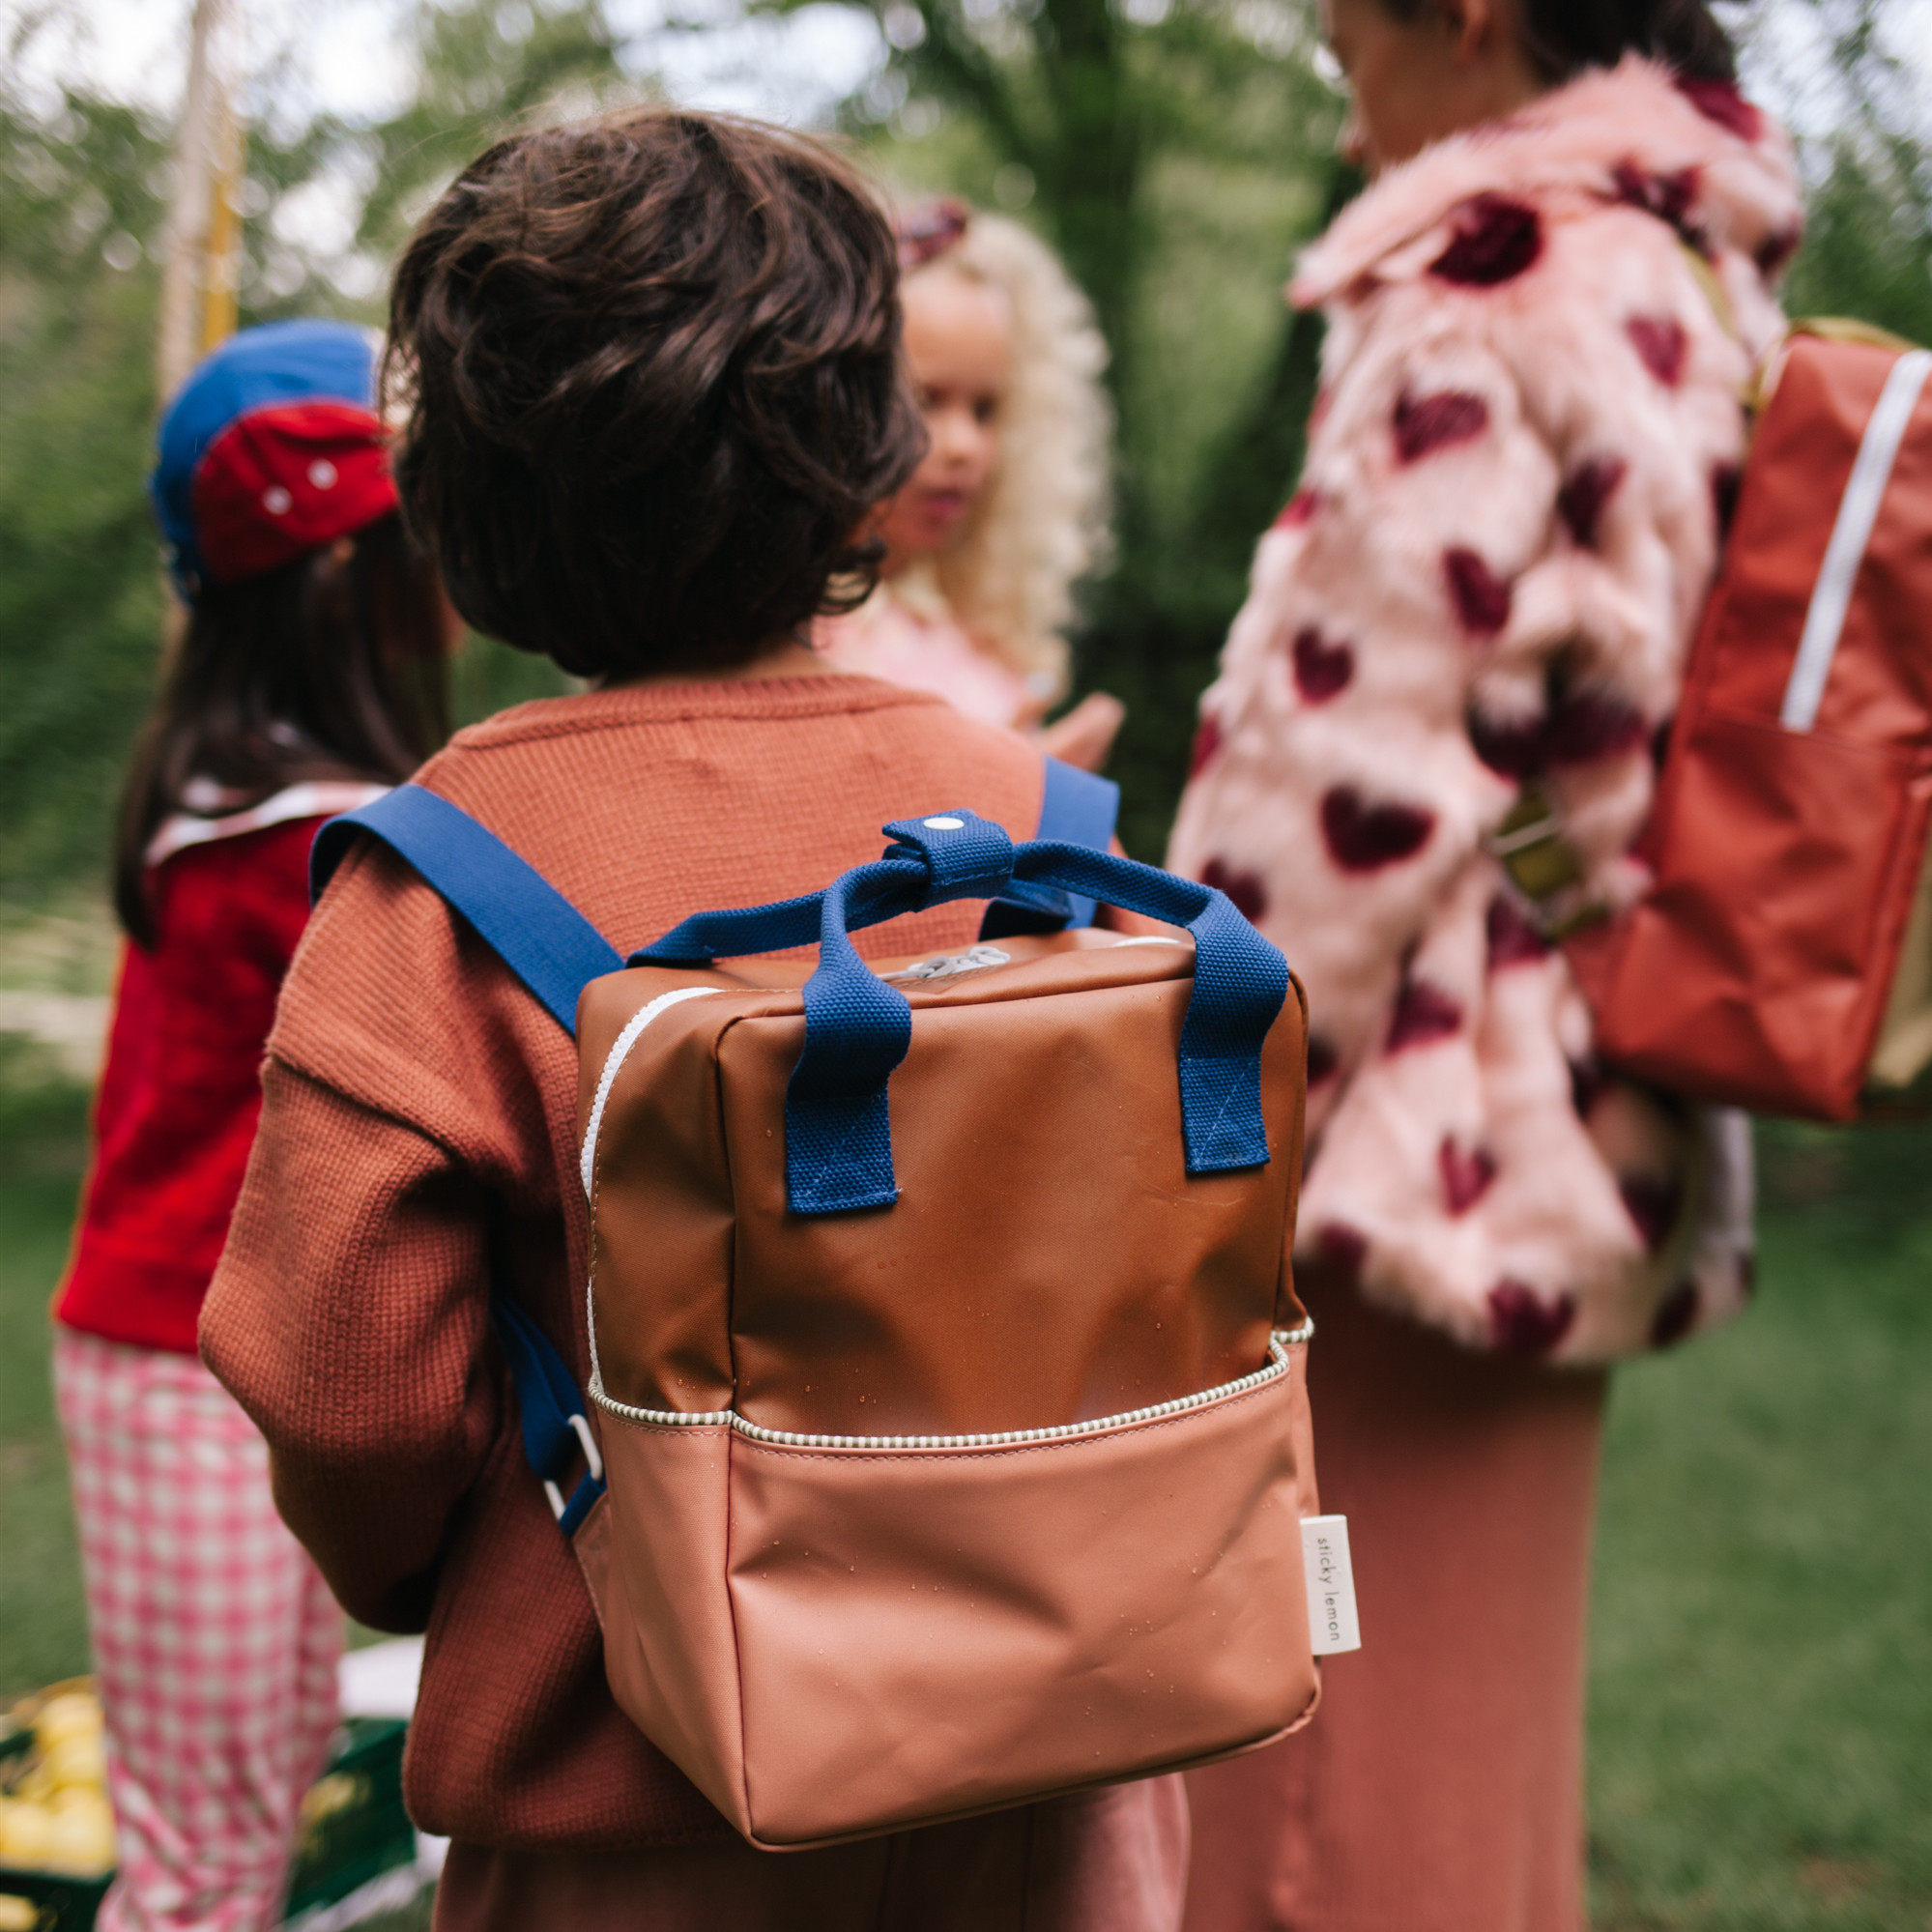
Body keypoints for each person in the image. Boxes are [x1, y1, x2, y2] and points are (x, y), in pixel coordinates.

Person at [196, 109, 1188, 1931]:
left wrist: (456, 1569)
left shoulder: (432, 883)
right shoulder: (1047, 825)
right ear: (862, 452)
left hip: (635, 1802)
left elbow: (351, 1392)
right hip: (1058, 1771)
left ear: (468, 495)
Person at [1168, 4, 1800, 1927]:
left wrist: (1177, 1115)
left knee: (1311, 1775)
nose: (1324, 61)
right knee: (1463, 1734)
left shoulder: (1488, 281)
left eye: (1339, 20)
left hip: (1399, 1143)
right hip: (1583, 1107)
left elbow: (1343, 769)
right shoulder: (1687, 270)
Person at [50, 318, 452, 1932]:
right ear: (347, 582)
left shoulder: (266, 806)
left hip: (243, 1361)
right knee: (206, 1857)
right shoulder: (288, 842)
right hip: (185, 1367)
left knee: (249, 1812)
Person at [816, 198, 1125, 771]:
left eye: (986, 410)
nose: (964, 446)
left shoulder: (972, 629)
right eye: (925, 401)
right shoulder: (800, 641)